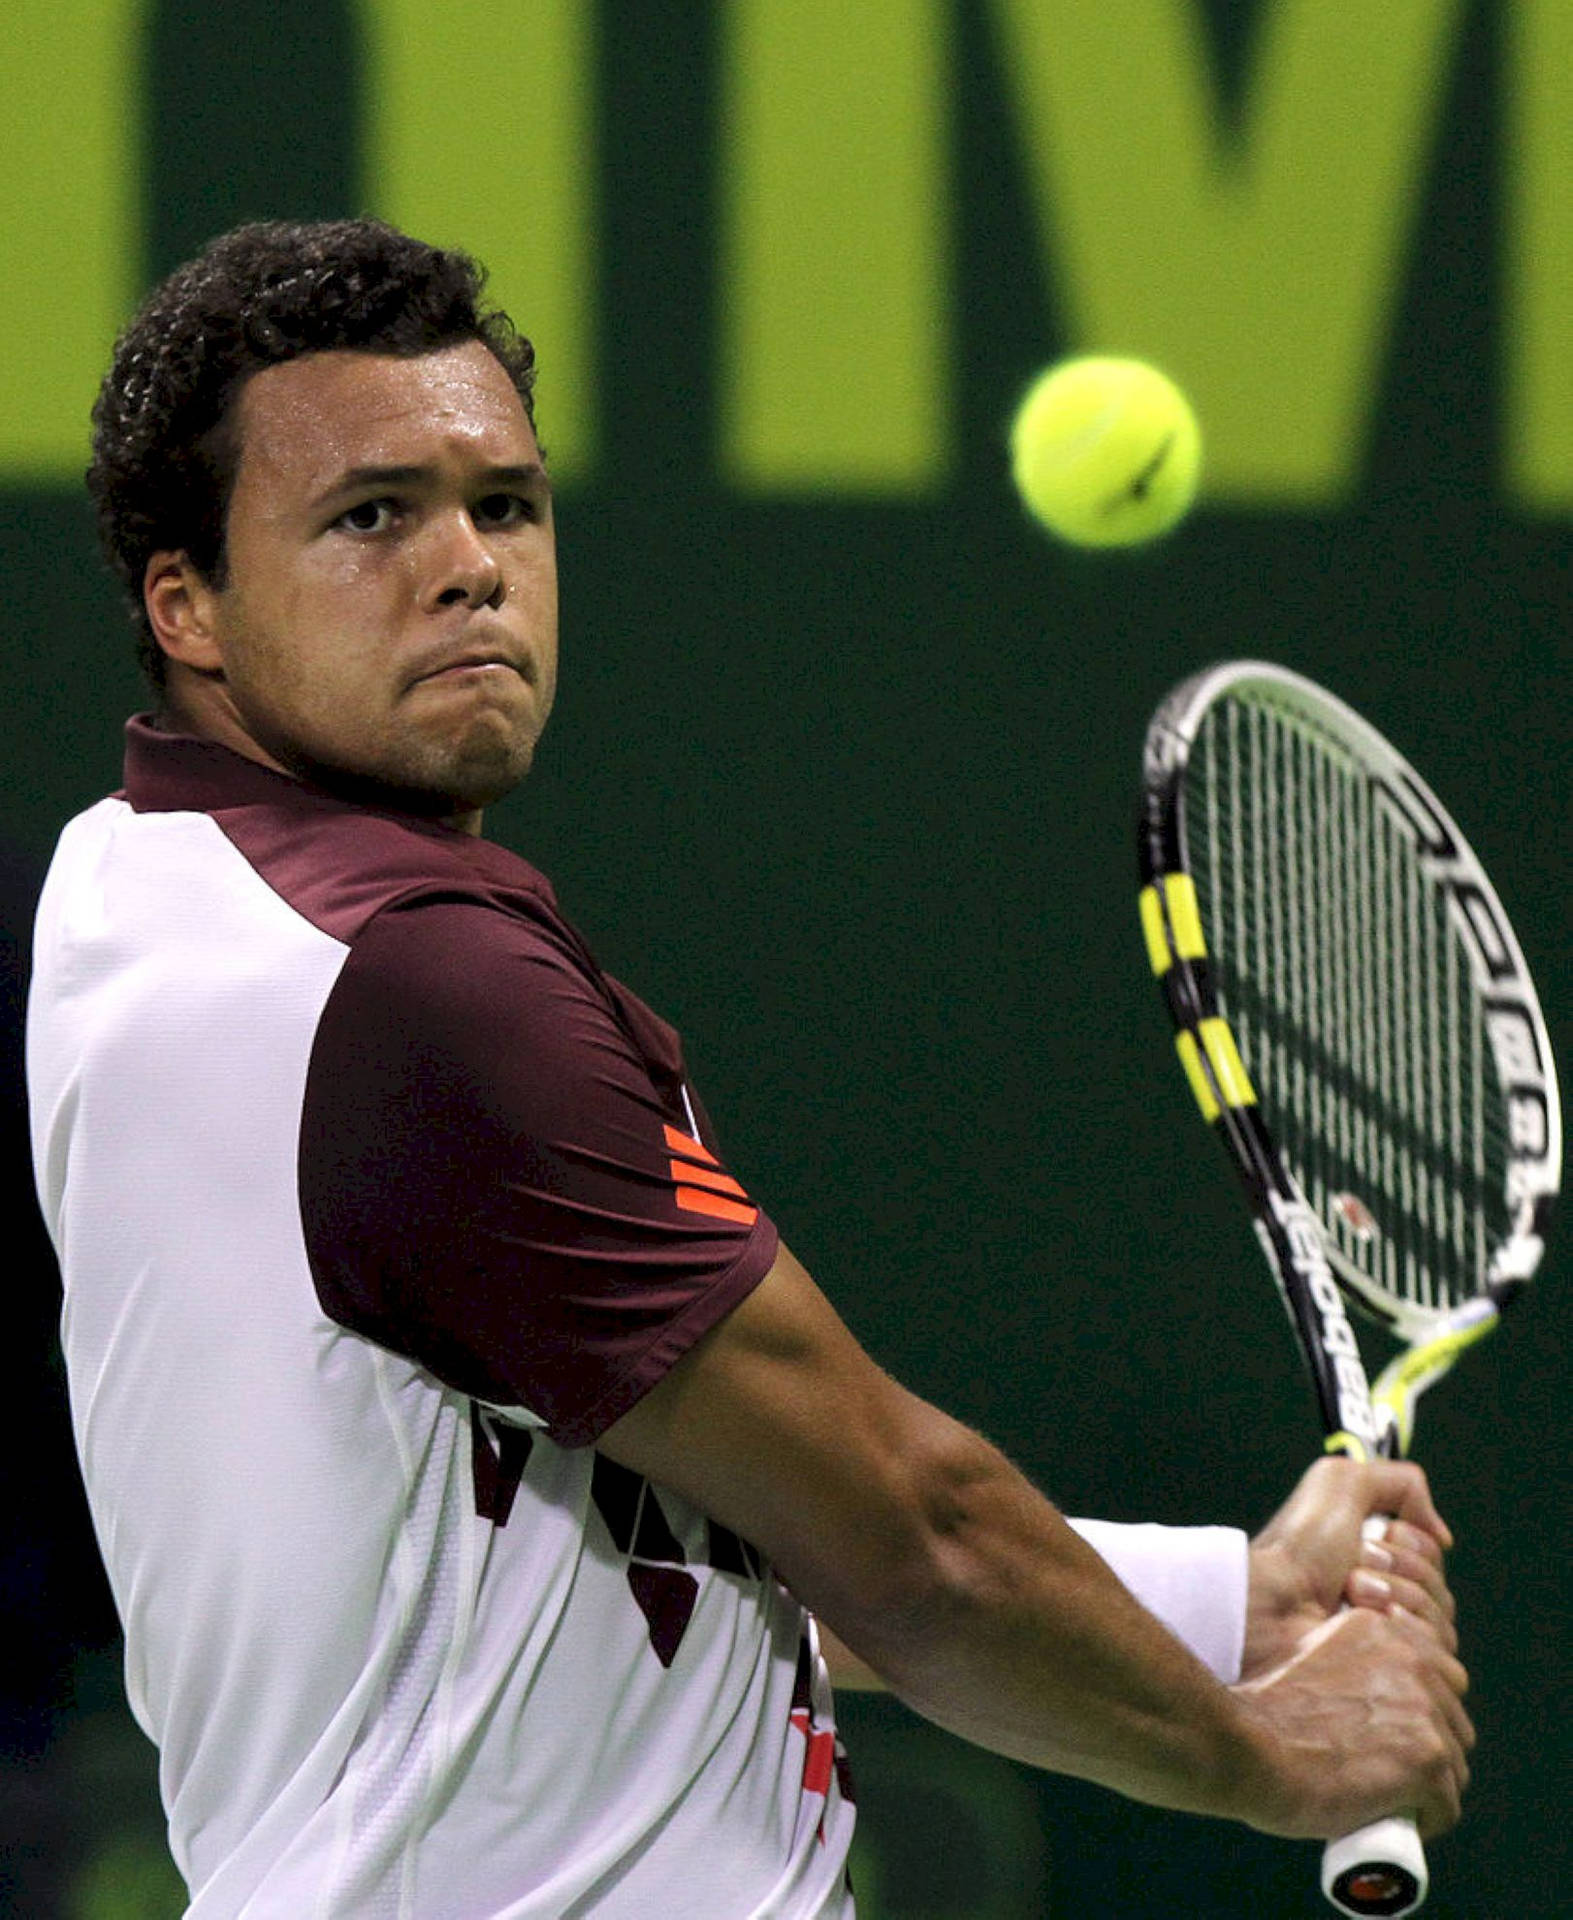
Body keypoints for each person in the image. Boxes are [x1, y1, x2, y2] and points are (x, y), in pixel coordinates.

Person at [26, 220, 1471, 1918]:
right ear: (182, 604)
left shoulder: (141, 891)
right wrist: (1279, 1757)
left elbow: (694, 1529)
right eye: (370, 516)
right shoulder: (418, 992)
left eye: (504, 503)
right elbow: (907, 1539)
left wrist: (1231, 1602)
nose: (469, 564)